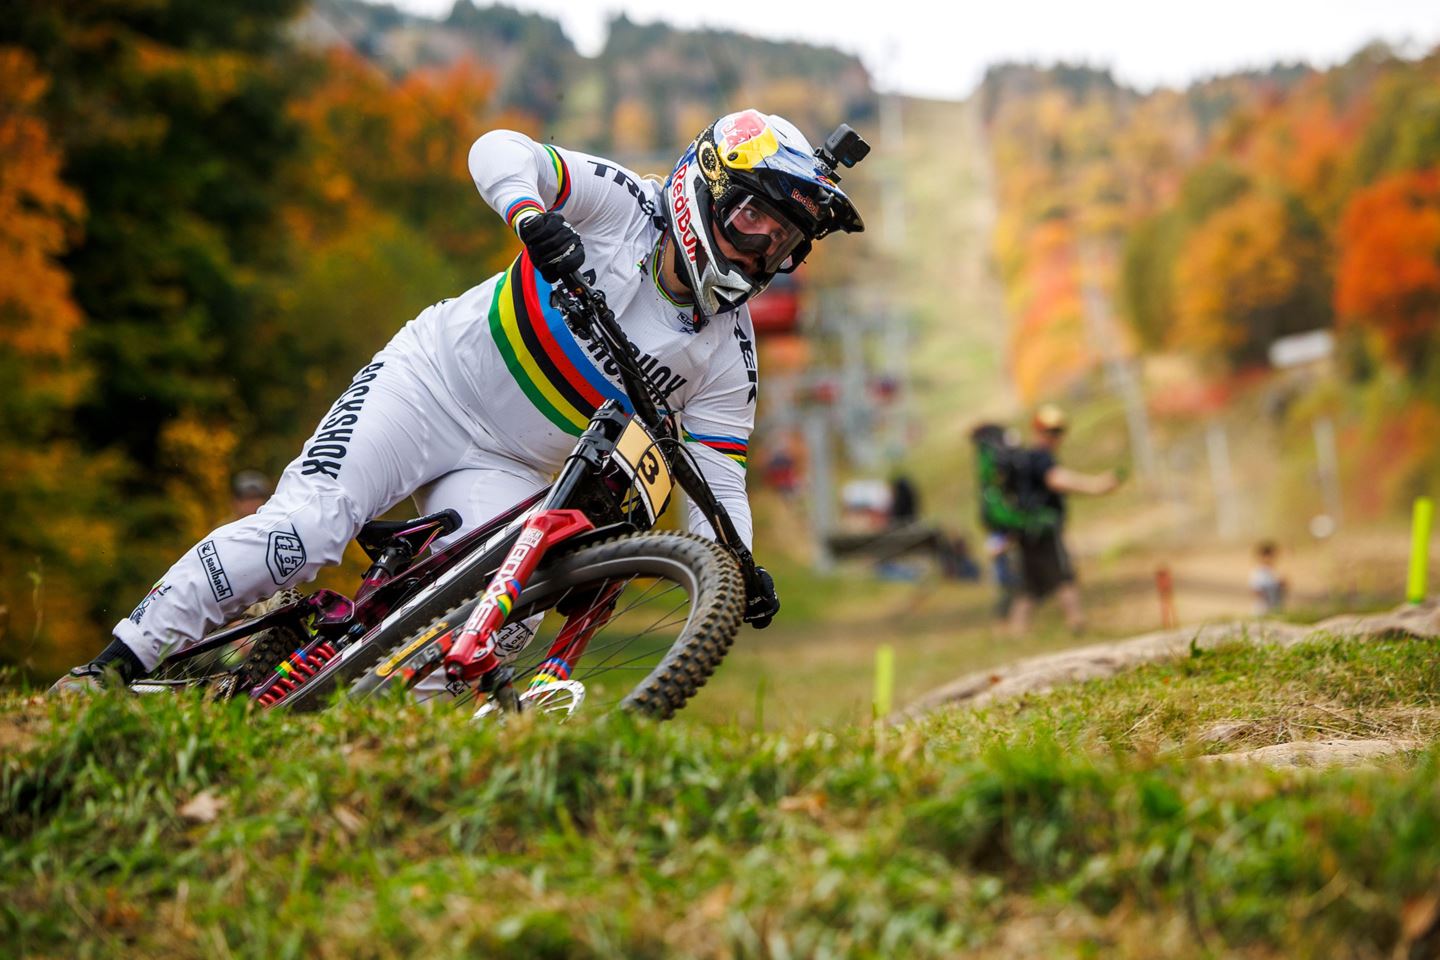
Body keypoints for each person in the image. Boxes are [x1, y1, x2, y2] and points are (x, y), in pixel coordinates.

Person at [52, 109, 865, 692]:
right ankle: (111, 669)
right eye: (758, 217)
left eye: (789, 240)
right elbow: (498, 148)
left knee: (492, 634)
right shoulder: (624, 204)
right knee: (302, 531)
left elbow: (717, 481)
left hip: (517, 475)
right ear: (707, 189)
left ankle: (359, 749)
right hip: (430, 386)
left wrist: (736, 567)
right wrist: (529, 215)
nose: (767, 249)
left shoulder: (728, 353)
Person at [1008, 404, 1120, 635]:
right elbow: (1056, 480)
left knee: (1031, 586)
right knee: (1063, 576)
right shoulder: (1040, 457)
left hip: (1028, 530)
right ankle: (1076, 622)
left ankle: (1016, 632)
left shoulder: (1028, 458)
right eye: (1049, 431)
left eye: (1058, 431)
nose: (1054, 437)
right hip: (1043, 529)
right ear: (1037, 431)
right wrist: (1095, 485)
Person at [1250, 541, 1287, 615]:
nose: (1273, 559)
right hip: (1263, 611)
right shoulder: (1258, 573)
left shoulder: (1272, 572)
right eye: (1271, 556)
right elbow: (1256, 591)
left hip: (1275, 609)